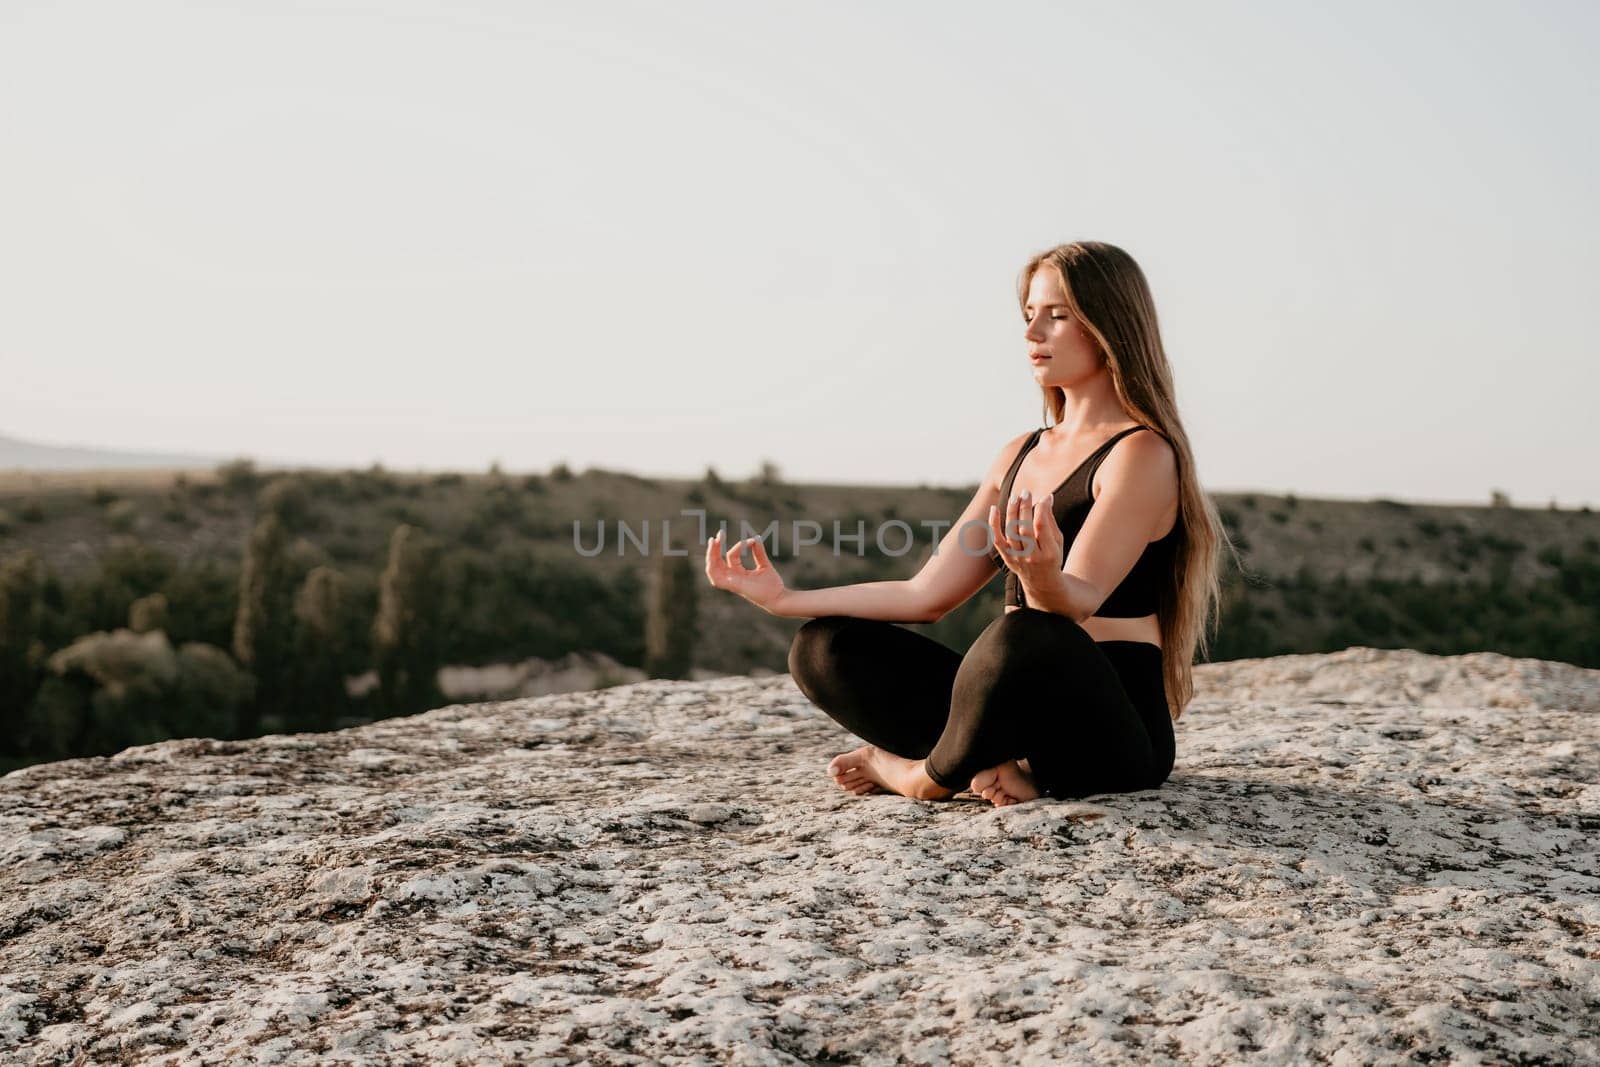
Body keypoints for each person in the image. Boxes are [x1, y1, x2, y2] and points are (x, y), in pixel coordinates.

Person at [703, 241, 1236, 807]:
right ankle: (1006, 766)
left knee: (1028, 632)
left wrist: (1041, 576)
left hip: (1108, 734)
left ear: (1110, 325)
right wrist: (785, 599)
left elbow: (1074, 604)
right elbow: (925, 595)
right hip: (1013, 709)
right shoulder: (1018, 454)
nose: (1034, 334)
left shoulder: (1141, 454)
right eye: (1029, 316)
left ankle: (922, 777)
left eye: (1057, 316)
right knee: (824, 647)